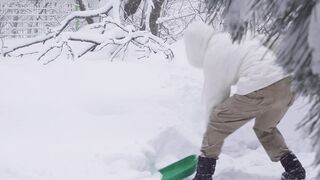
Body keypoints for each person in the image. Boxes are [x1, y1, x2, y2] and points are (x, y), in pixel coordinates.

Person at [184, 21, 306, 180]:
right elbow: (269, 41)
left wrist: (211, 131)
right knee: (265, 128)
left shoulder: (212, 54)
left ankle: (203, 175)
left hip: (262, 86)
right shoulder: (236, 36)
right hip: (288, 84)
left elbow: (215, 98)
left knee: (217, 119)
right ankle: (294, 169)